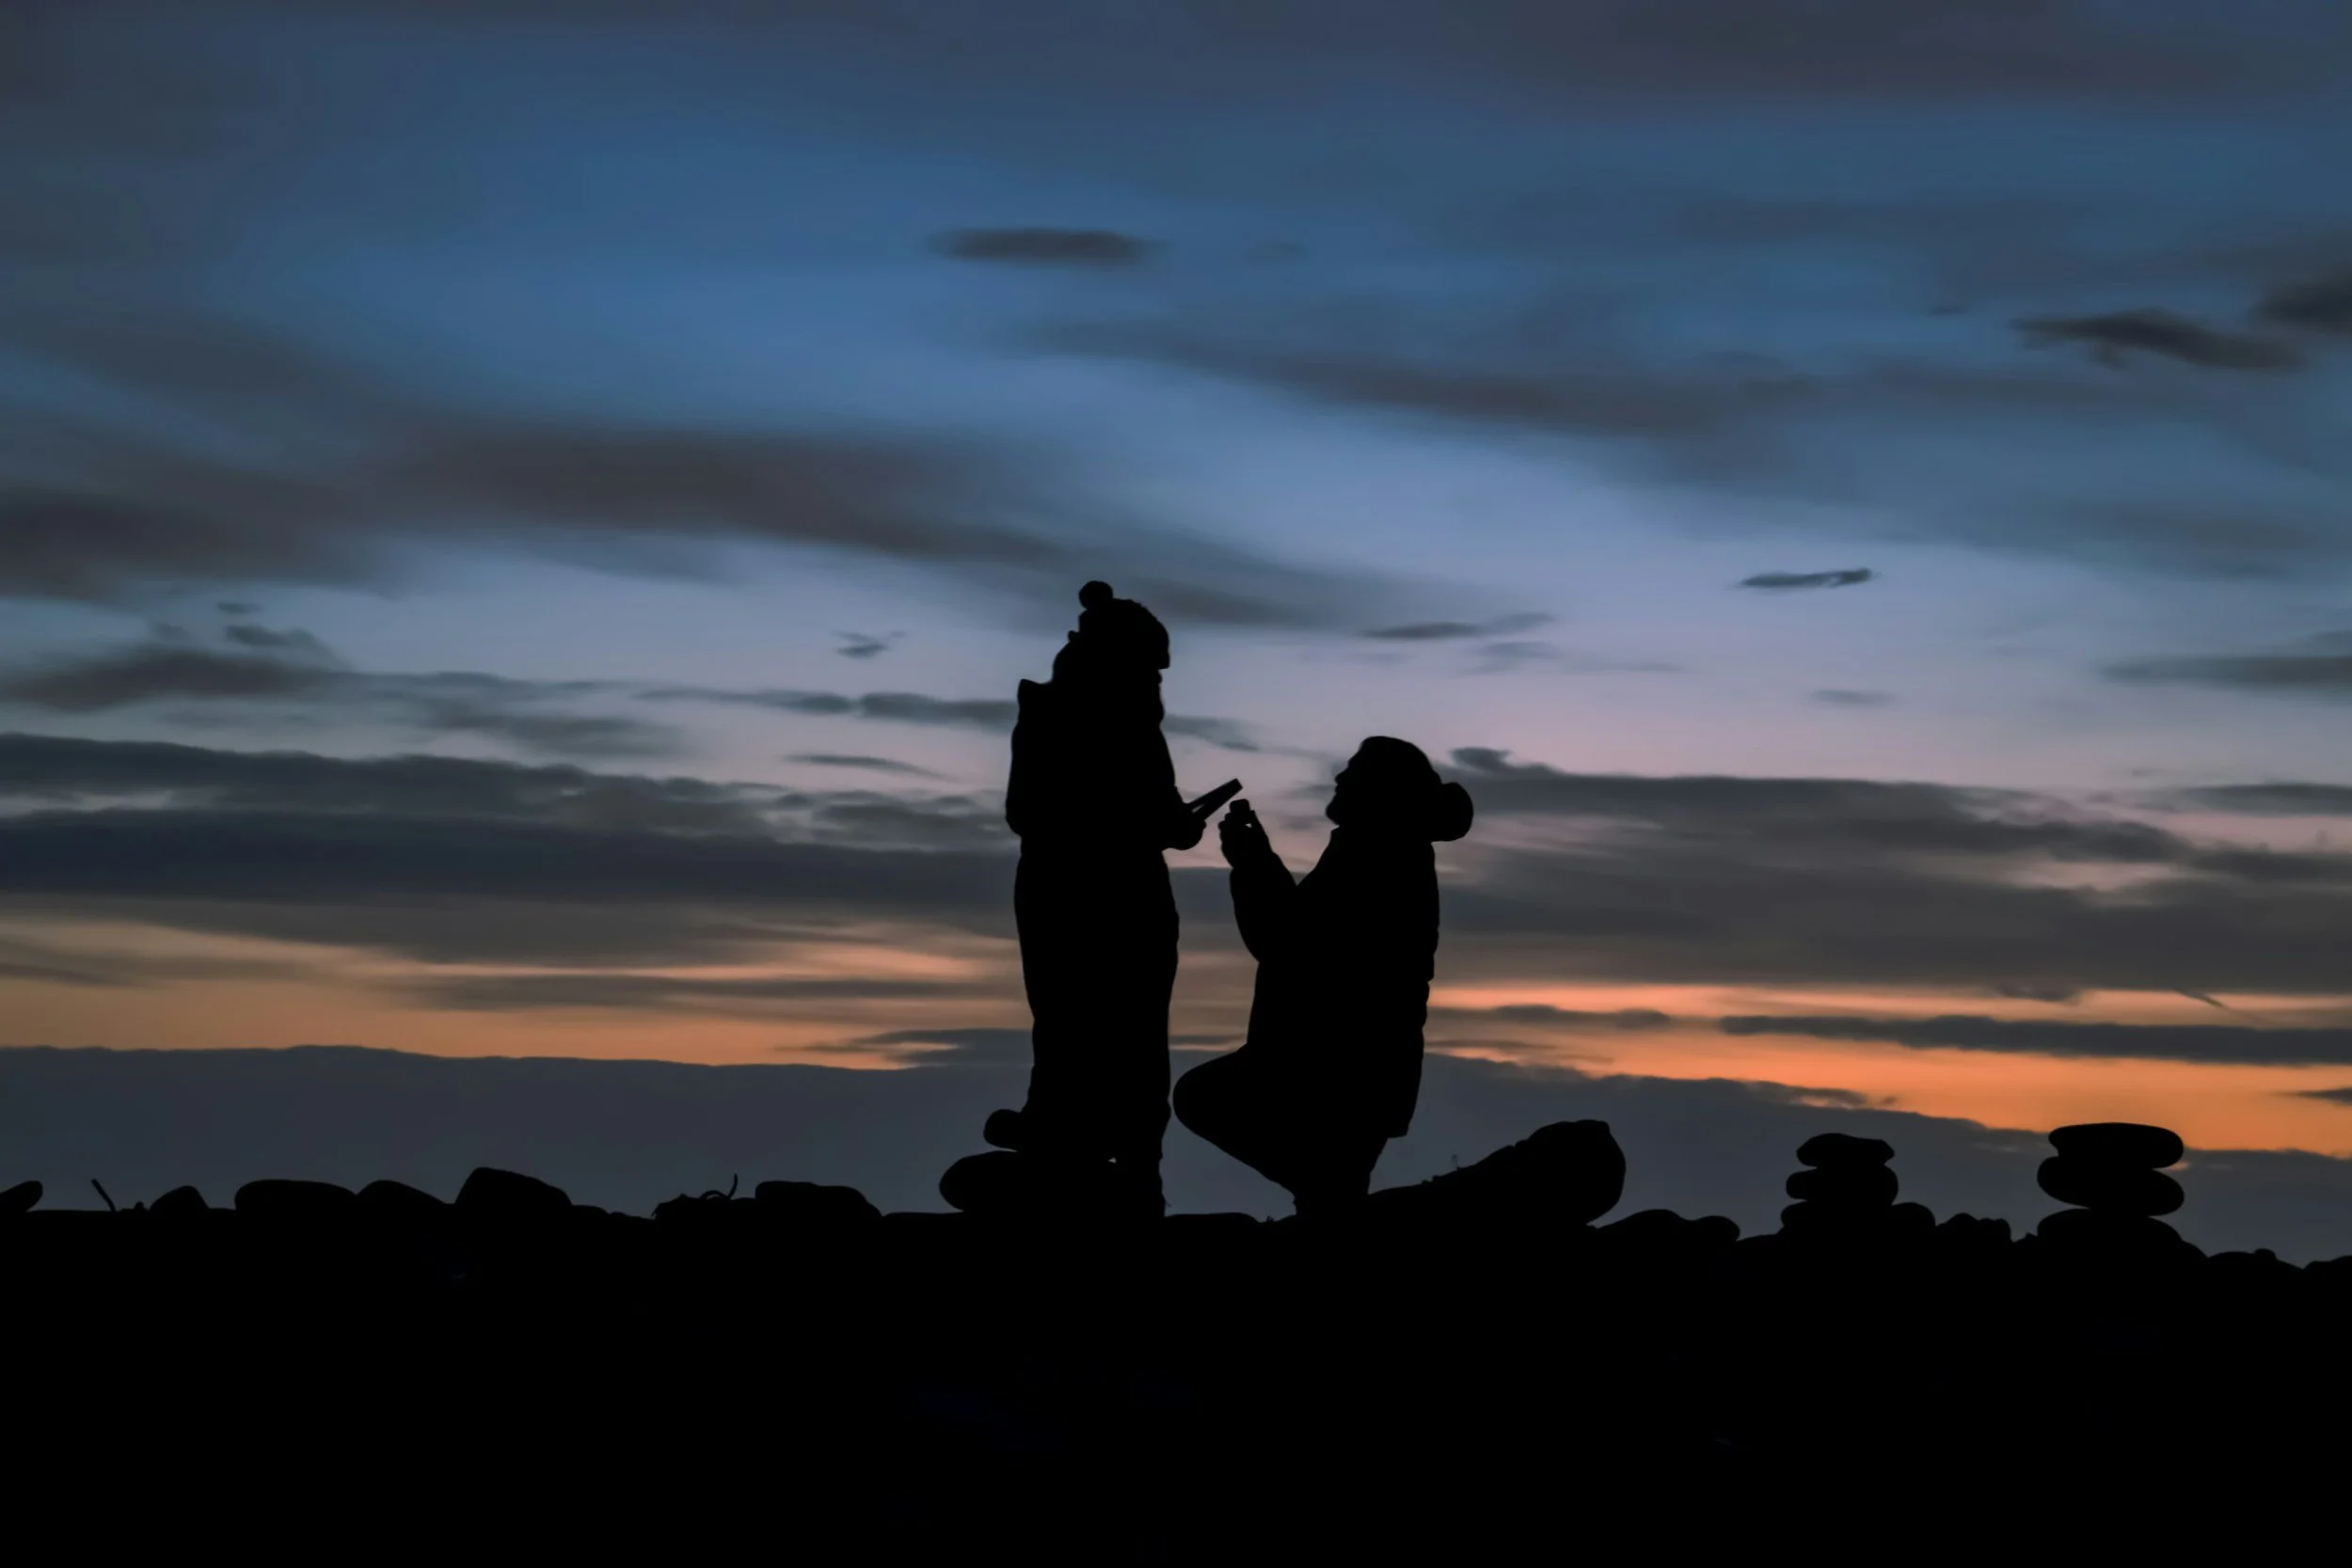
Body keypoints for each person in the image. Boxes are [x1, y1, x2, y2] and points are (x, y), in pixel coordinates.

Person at [964, 580, 1214, 1217]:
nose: (1158, 683)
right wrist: (1166, 827)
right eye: (1151, 669)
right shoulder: (1114, 722)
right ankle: (1108, 1175)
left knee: (1076, 1033)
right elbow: (1043, 813)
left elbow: (1033, 814)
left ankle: (1086, 1166)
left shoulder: (1054, 714)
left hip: (1066, 892)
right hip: (1109, 896)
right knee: (1115, 1037)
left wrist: (1160, 824)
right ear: (1127, 663)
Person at [1173, 737, 1473, 1216]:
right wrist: (1257, 861)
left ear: (1379, 789)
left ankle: (1327, 1195)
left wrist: (1252, 863)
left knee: (1204, 1098)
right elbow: (1295, 936)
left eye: (1354, 771)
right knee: (1329, 1199)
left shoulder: (1378, 853)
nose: (1340, 778)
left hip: (1336, 1069)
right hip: (1359, 1072)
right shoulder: (1381, 848)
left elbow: (1286, 943)